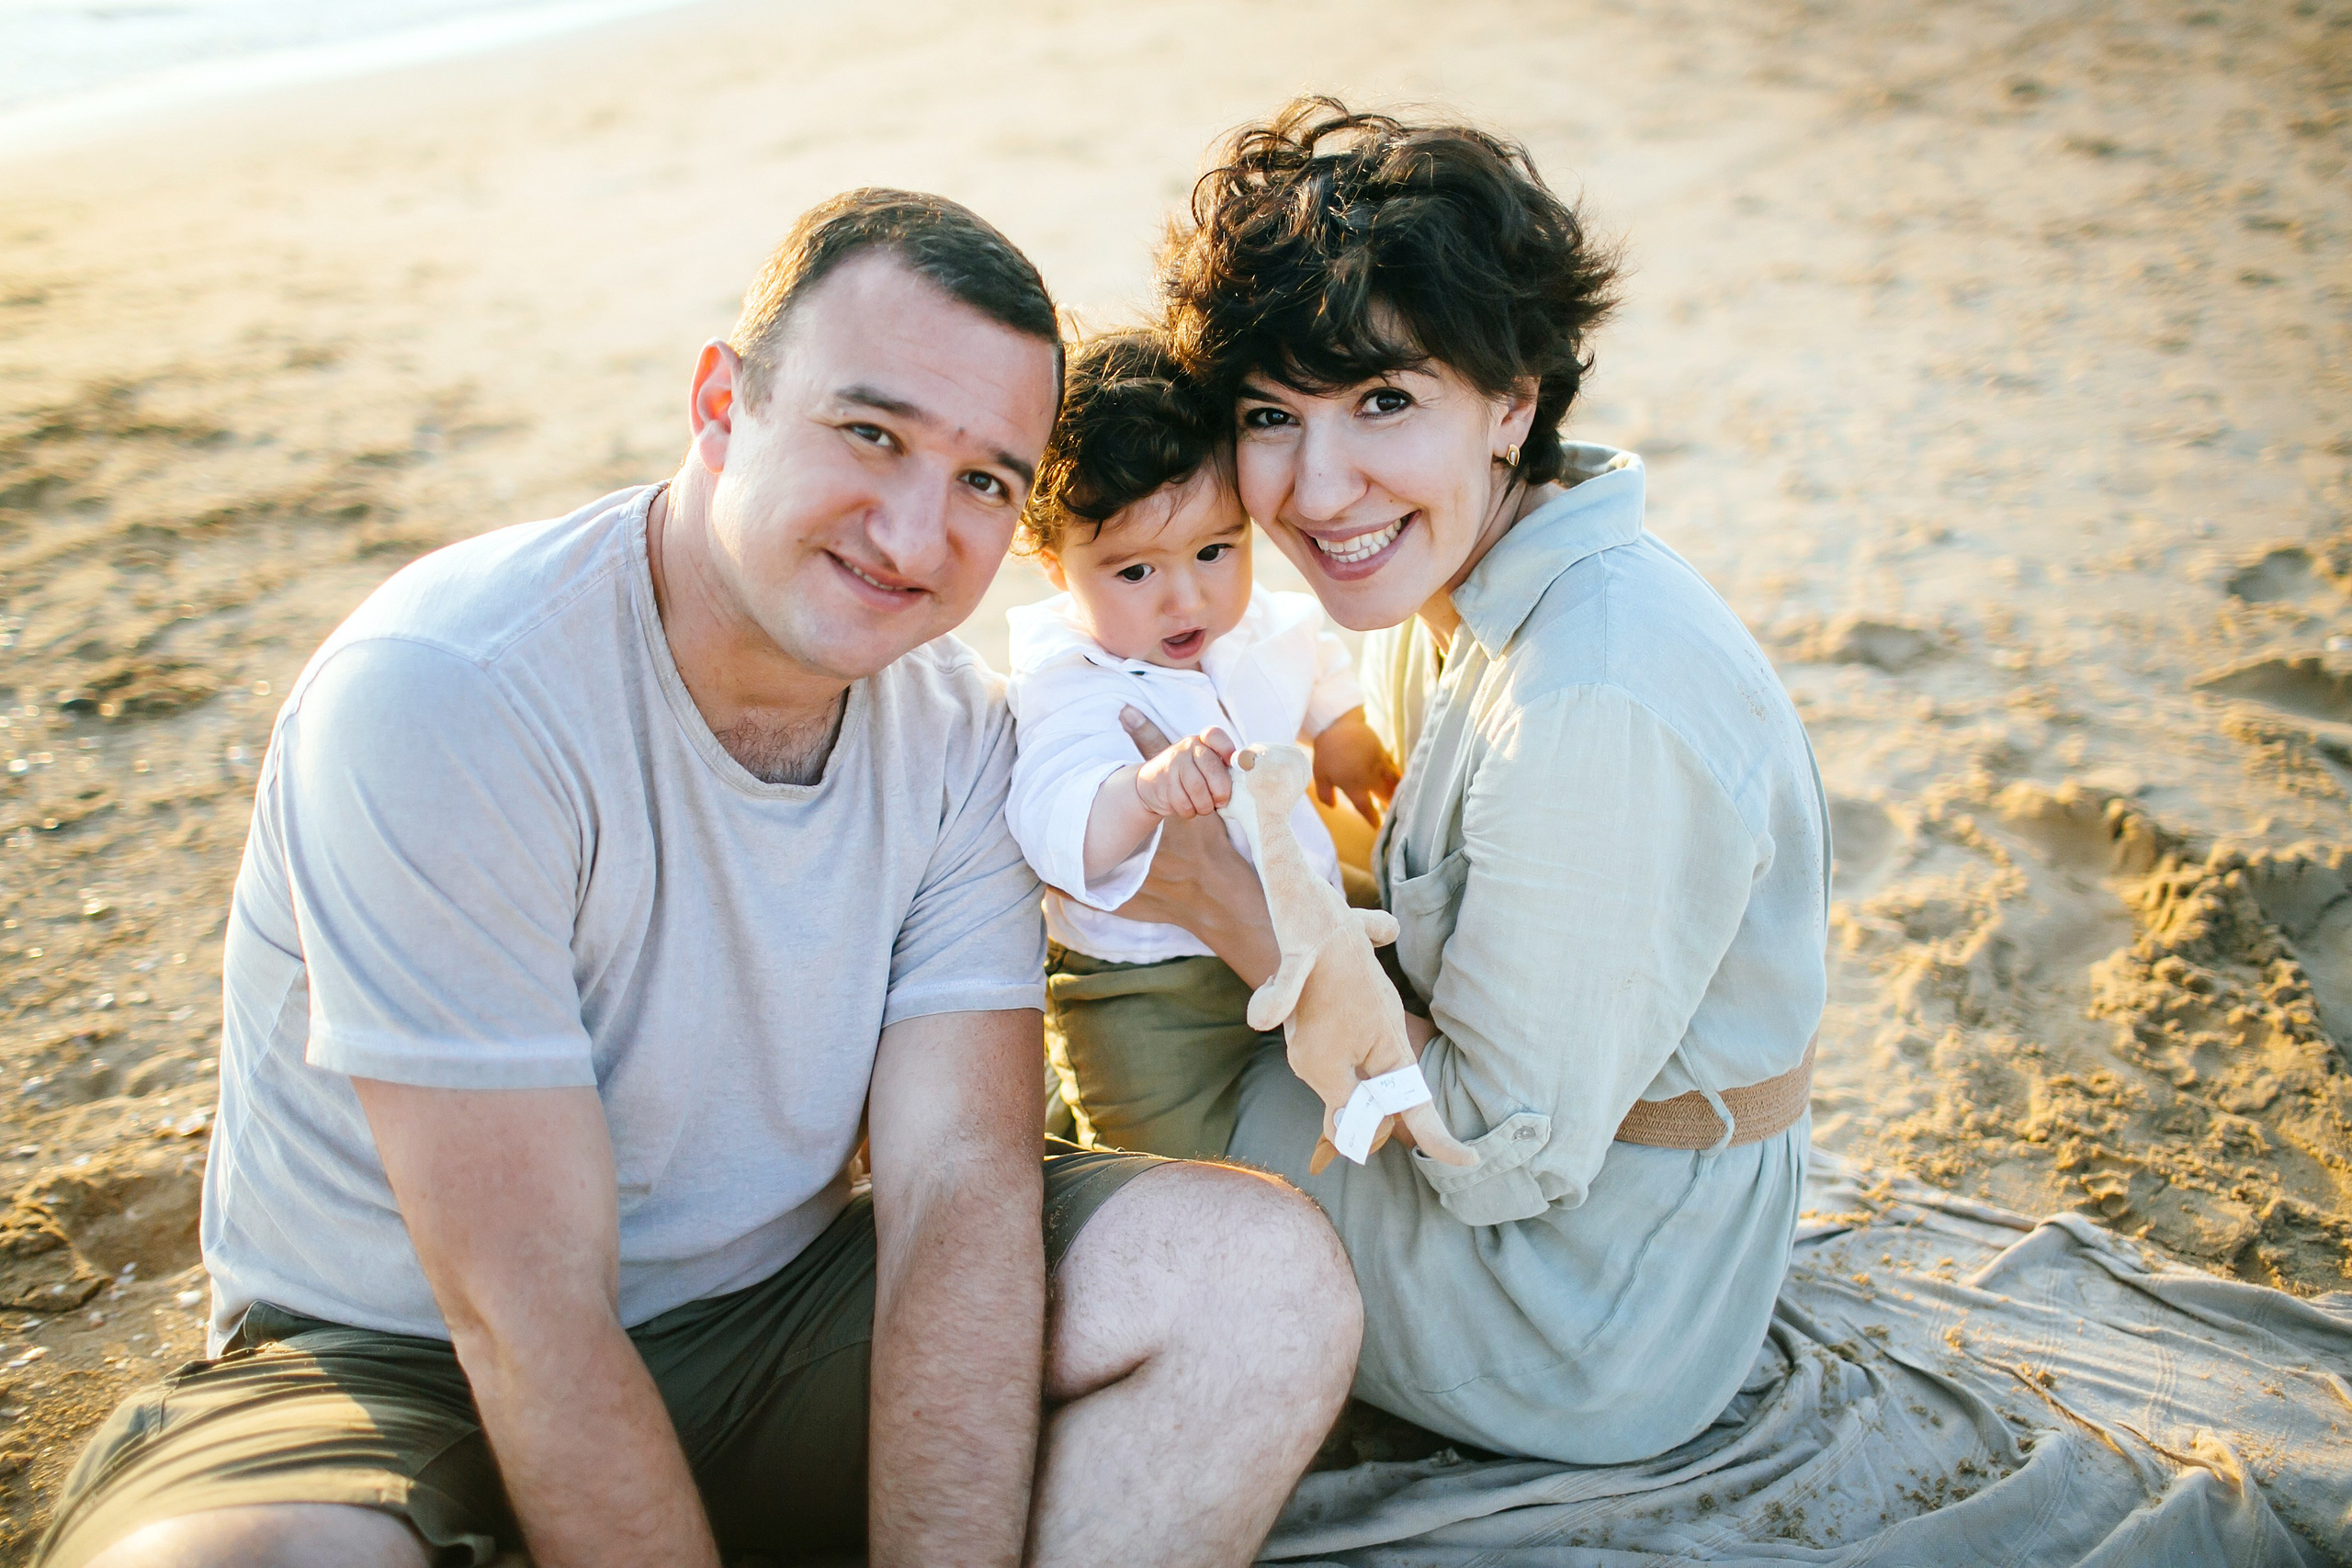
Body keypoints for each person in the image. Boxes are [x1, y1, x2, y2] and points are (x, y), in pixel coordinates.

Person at [39, 189, 1361, 1568]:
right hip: (394, 1362)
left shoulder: (963, 735)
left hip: (778, 1319)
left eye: (985, 480)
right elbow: (521, 1300)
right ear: (722, 403)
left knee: (1258, 1285)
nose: (915, 536)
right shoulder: (450, 691)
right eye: (871, 432)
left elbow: (959, 1187)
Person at [1108, 100, 1832, 1465]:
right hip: (1583, 1204)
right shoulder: (1451, 589)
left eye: (1385, 400)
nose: (1320, 487)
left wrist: (1228, 908)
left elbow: (1502, 1149)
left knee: (1102, 1169)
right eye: (1271, 415)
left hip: (1585, 1301)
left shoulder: (1593, 695)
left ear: (1513, 401)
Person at [1001, 330, 1396, 1160]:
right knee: (1158, 1159)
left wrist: (1341, 728)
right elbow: (1052, 818)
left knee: (1394, 978)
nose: (1187, 596)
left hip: (1295, 918)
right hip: (1147, 990)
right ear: (1049, 559)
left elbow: (1306, 646)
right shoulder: (1071, 677)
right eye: (1135, 571)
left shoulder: (1246, 620)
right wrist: (1140, 792)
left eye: (1216, 550)